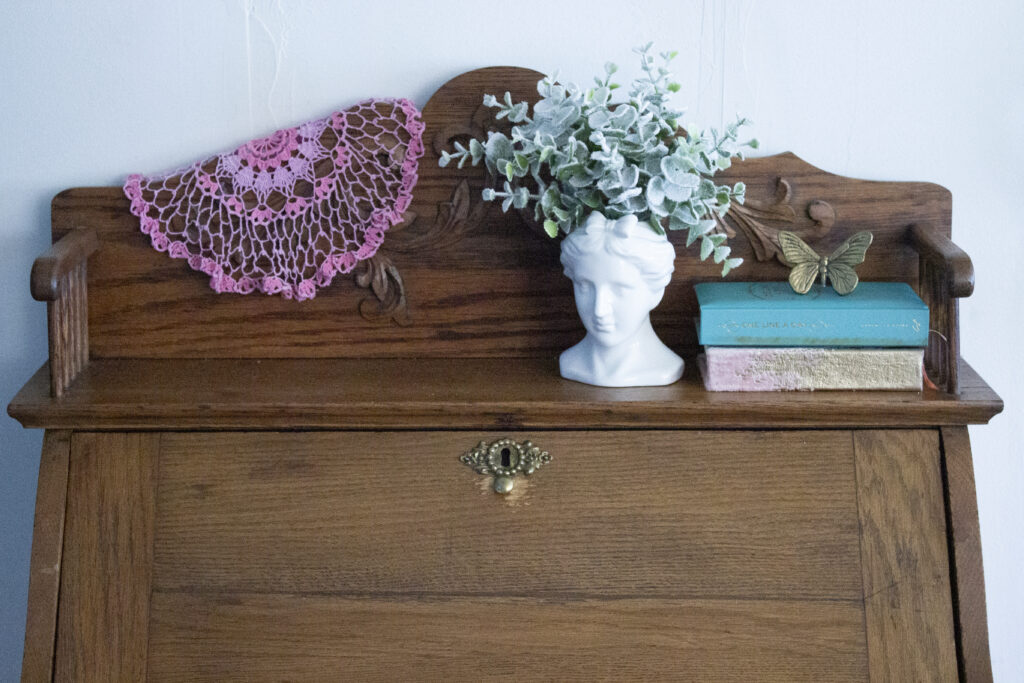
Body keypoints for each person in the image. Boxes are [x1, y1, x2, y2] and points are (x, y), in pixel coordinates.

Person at [559, 212, 684, 387]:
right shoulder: (569, 362)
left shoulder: (664, 368)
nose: (599, 310)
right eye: (585, 286)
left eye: (620, 289)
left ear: (656, 292)